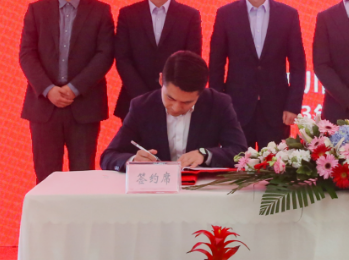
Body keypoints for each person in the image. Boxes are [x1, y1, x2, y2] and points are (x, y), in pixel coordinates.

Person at [19, 0, 115, 183]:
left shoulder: (100, 11)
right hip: (44, 107)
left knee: (82, 178)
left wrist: (74, 88)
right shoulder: (37, 10)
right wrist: (48, 89)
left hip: (84, 106)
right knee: (45, 178)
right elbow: (27, 54)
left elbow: (105, 55)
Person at [208, 0, 306, 148]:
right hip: (236, 108)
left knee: (274, 164)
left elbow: (298, 64)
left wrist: (293, 105)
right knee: (236, 163)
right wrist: (219, 105)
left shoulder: (288, 15)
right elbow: (216, 64)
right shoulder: (226, 14)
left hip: (276, 109)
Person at [100, 51, 247, 171]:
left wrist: (205, 154)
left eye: (187, 102)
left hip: (201, 190)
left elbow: (240, 151)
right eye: (170, 98)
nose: (176, 108)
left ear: (201, 92)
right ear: (161, 80)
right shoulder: (142, 107)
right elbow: (109, 156)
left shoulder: (218, 104)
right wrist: (133, 160)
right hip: (156, 190)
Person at [114, 0, 202, 120]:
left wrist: (171, 95)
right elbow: (122, 58)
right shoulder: (128, 14)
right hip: (134, 102)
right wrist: (144, 97)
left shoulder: (190, 16)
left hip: (177, 102)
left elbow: (192, 58)